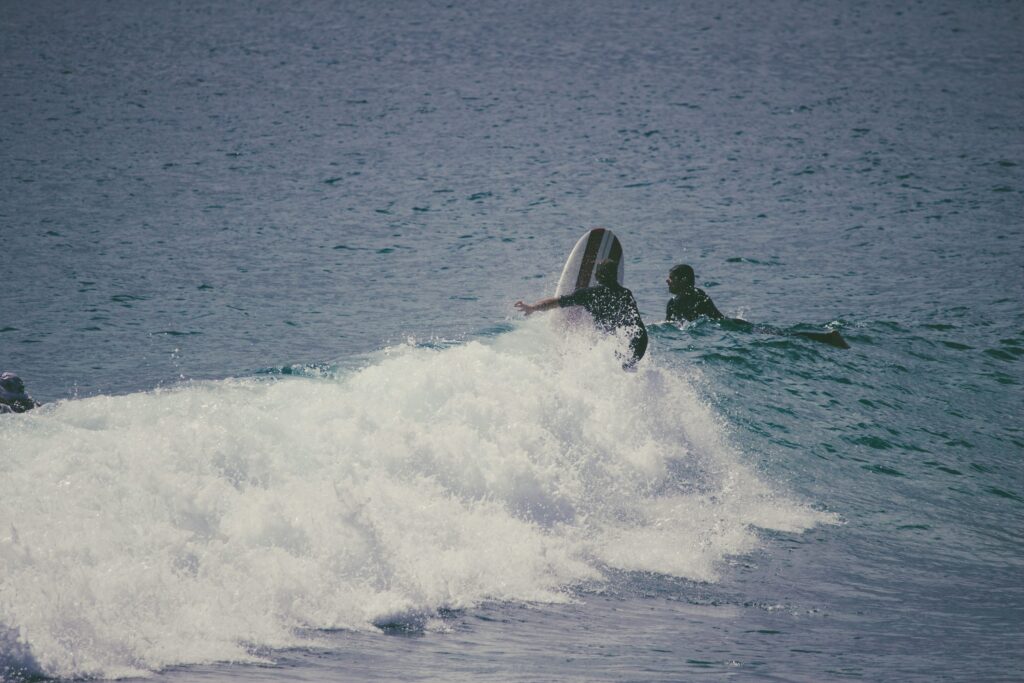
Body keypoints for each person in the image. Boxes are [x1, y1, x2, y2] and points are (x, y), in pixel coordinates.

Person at [664, 264, 849, 349]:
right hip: (732, 325)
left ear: (683, 280)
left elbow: (671, 329)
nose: (667, 282)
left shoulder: (683, 299)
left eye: (671, 279)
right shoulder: (696, 294)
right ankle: (826, 338)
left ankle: (827, 338)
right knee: (781, 334)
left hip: (728, 329)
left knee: (781, 335)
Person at [515, 259, 649, 368]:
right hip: (640, 342)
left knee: (613, 366)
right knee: (626, 368)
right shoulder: (626, 294)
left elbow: (557, 302)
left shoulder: (590, 294)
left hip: (617, 344)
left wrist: (533, 307)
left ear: (598, 276)